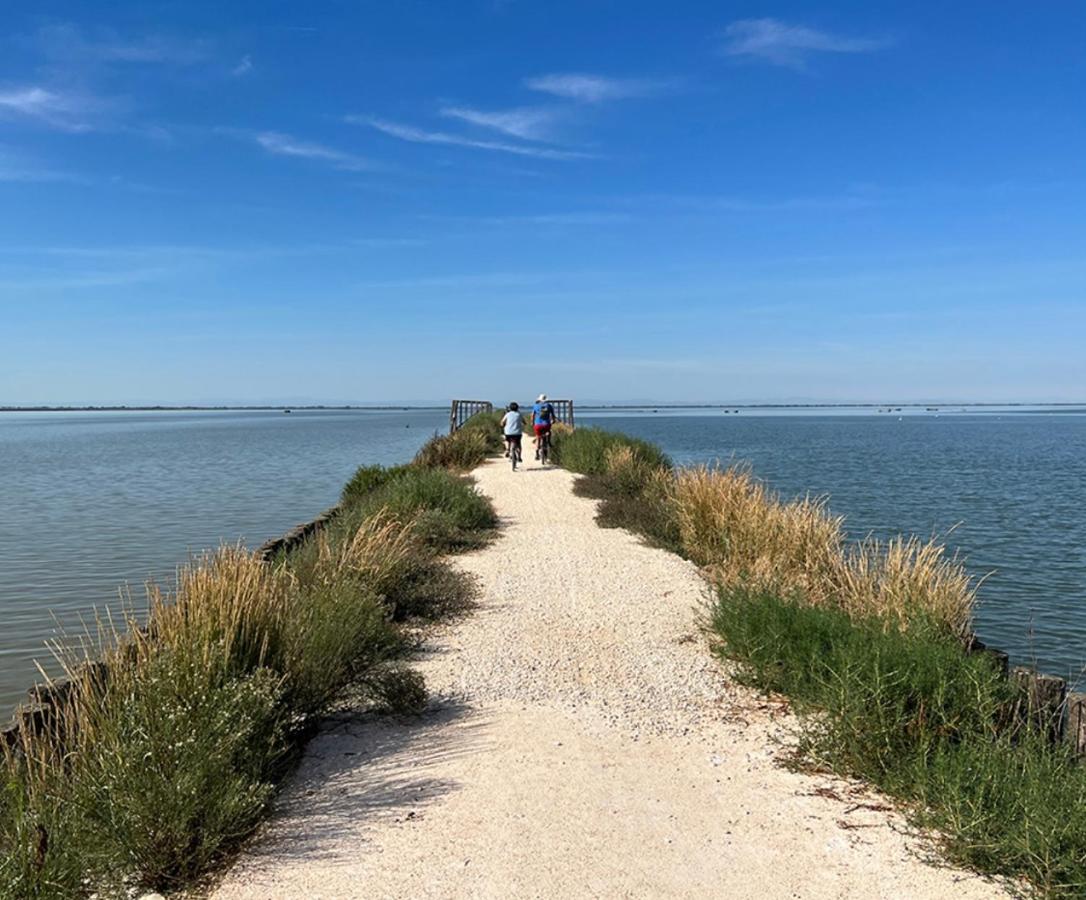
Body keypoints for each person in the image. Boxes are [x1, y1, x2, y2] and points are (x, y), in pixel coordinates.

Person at [531, 393, 555, 459]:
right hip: (546, 424)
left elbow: (533, 415)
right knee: (548, 432)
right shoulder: (549, 406)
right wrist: (553, 420)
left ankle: (537, 452)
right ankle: (549, 442)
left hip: (538, 425)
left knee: (538, 437)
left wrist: (532, 422)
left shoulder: (536, 406)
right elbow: (552, 415)